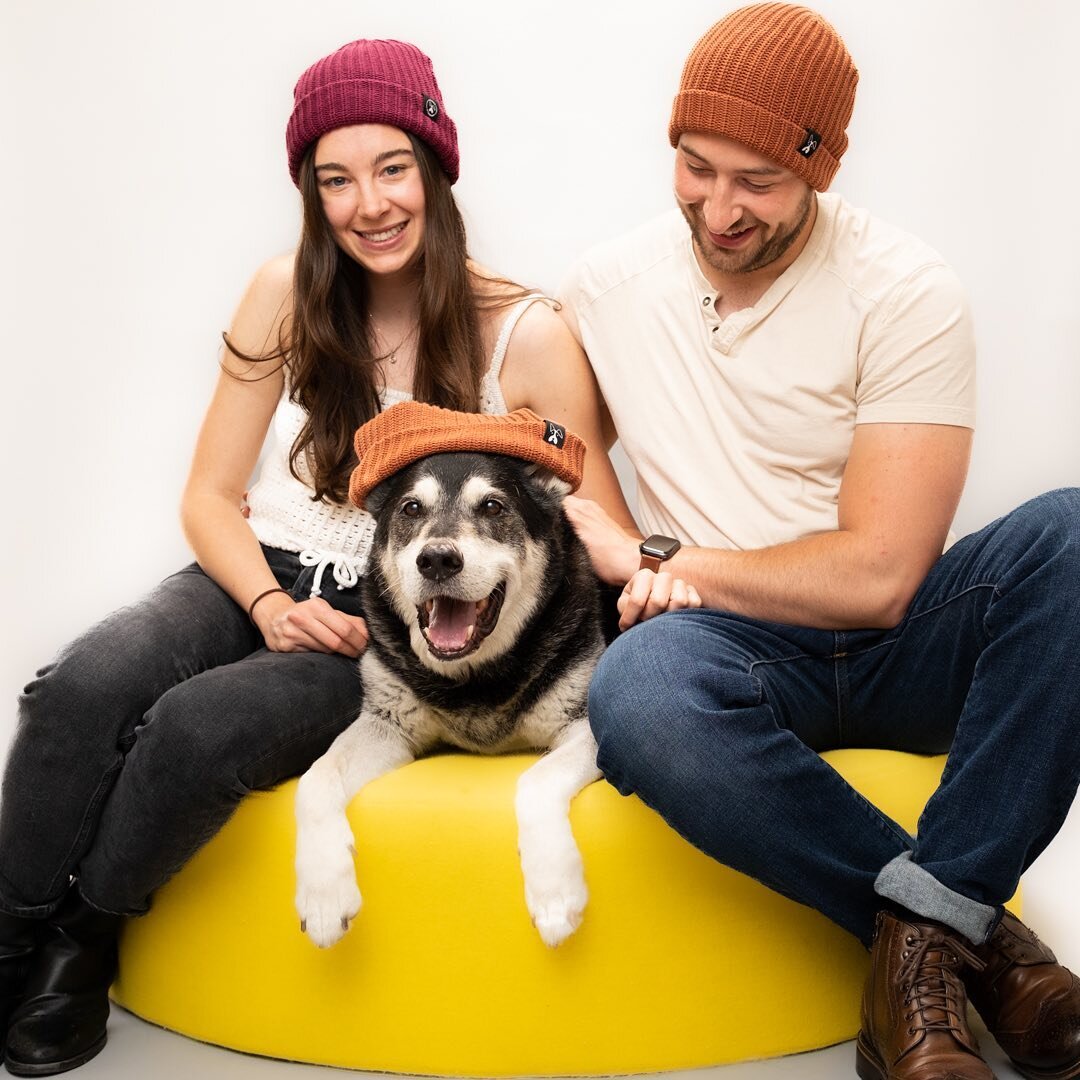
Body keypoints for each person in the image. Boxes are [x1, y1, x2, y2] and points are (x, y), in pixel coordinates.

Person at [0, 38, 642, 1077]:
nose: (369, 204)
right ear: (310, 193)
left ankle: (83, 947)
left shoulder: (524, 332)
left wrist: (681, 575)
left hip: (390, 619)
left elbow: (593, 527)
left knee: (195, 729)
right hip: (252, 573)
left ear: (435, 171)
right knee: (77, 689)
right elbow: (209, 497)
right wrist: (261, 602)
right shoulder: (284, 292)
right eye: (334, 180)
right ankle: (9, 939)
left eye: (392, 168)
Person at [558, 5, 1080, 1080]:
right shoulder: (604, 289)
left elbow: (884, 577)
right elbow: (537, 422)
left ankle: (927, 951)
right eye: (696, 168)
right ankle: (964, 945)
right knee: (638, 696)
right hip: (723, 647)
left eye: (759, 180)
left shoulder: (907, 291)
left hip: (902, 638)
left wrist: (658, 561)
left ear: (822, 168)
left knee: (1074, 534)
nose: (720, 207)